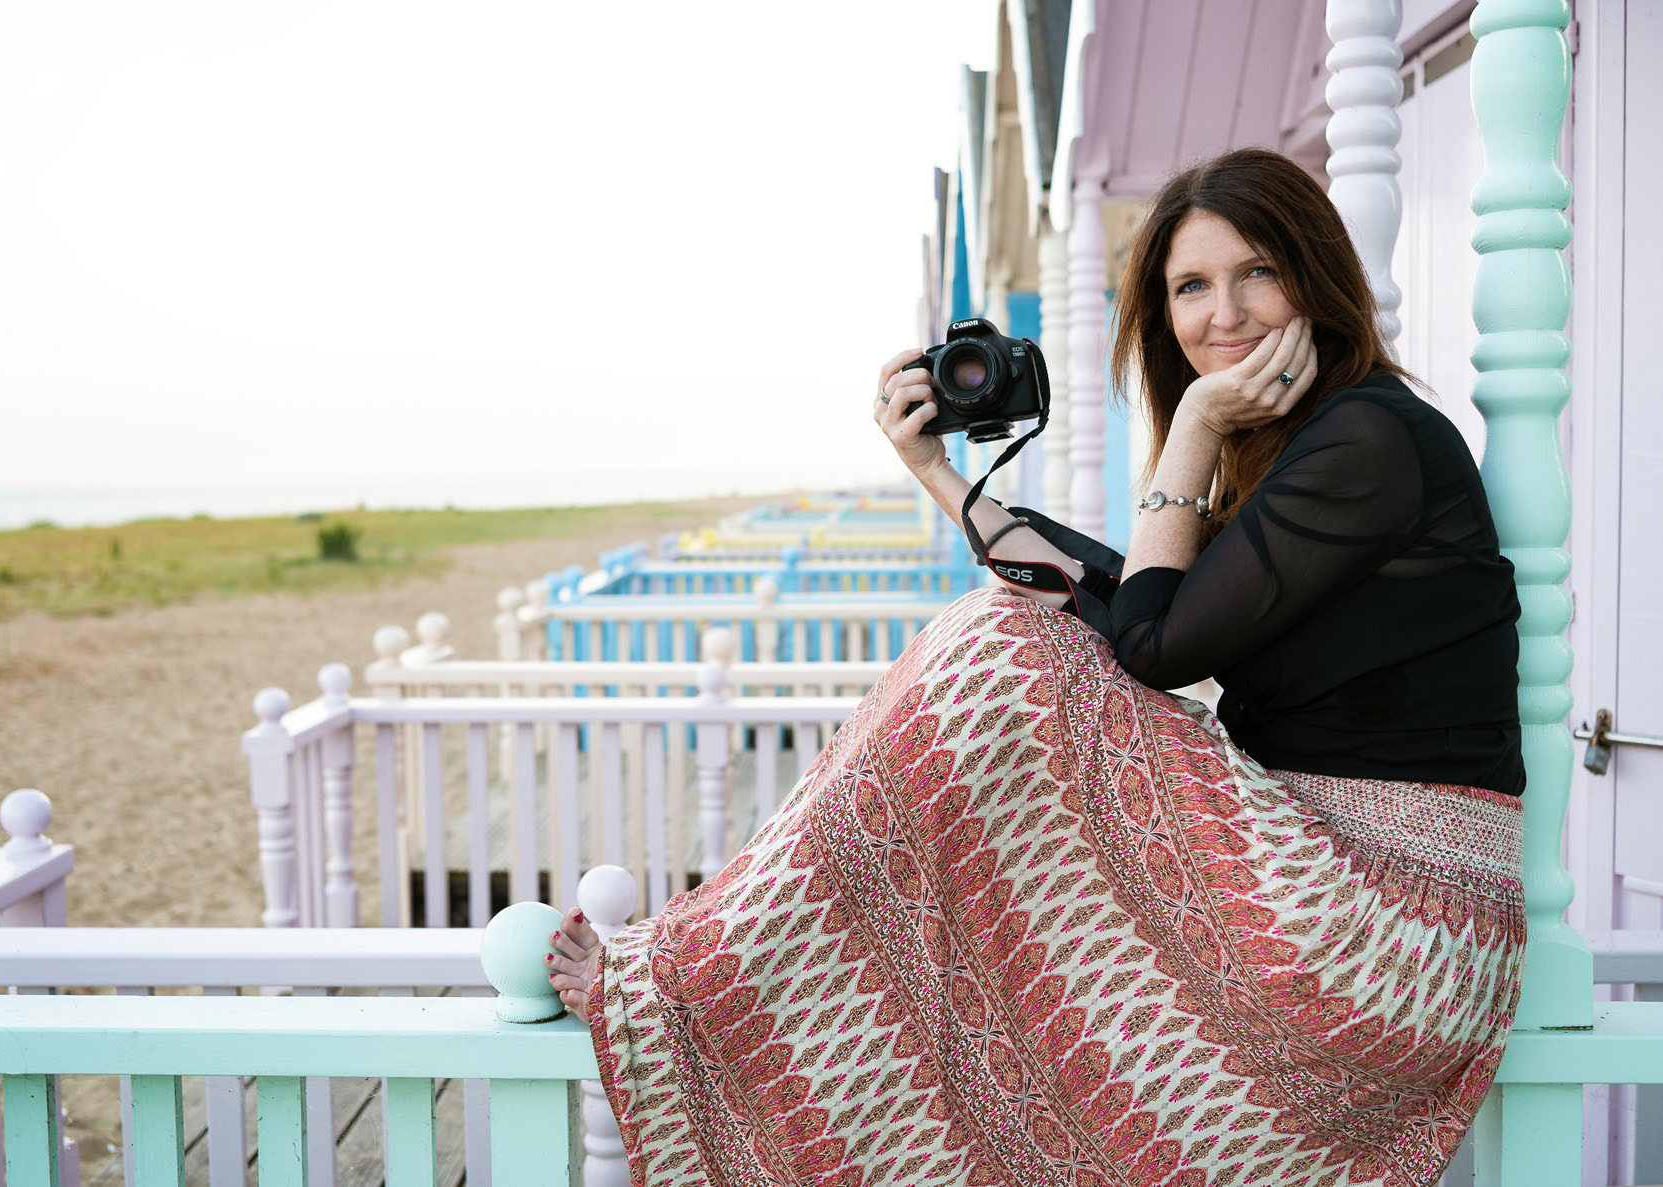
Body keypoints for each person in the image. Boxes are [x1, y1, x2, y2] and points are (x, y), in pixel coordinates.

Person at [547, 148, 1525, 1186]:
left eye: (1255, 272)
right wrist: (936, 471)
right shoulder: (1313, 444)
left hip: (1388, 924)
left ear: (1314, 280)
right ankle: (729, 974)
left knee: (1002, 646)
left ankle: (698, 972)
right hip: (1340, 879)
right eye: (1188, 286)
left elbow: (1149, 649)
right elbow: (1115, 602)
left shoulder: (1365, 435)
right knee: (1015, 632)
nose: (1222, 312)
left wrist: (1191, 426)